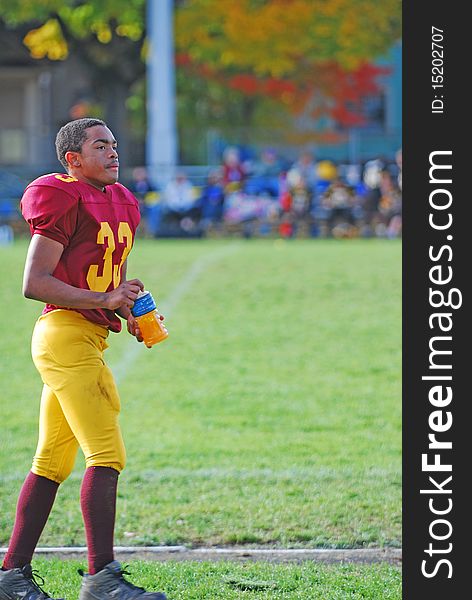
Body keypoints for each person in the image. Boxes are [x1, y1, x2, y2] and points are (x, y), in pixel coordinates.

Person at [0, 118, 167, 600]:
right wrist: (102, 300)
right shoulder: (63, 195)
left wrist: (128, 305)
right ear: (72, 159)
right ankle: (102, 579)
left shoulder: (122, 201)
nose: (113, 152)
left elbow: (112, 271)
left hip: (88, 336)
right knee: (107, 455)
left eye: (114, 143)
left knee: (51, 462)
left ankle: (11, 577)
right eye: (101, 145)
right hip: (64, 336)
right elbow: (34, 283)